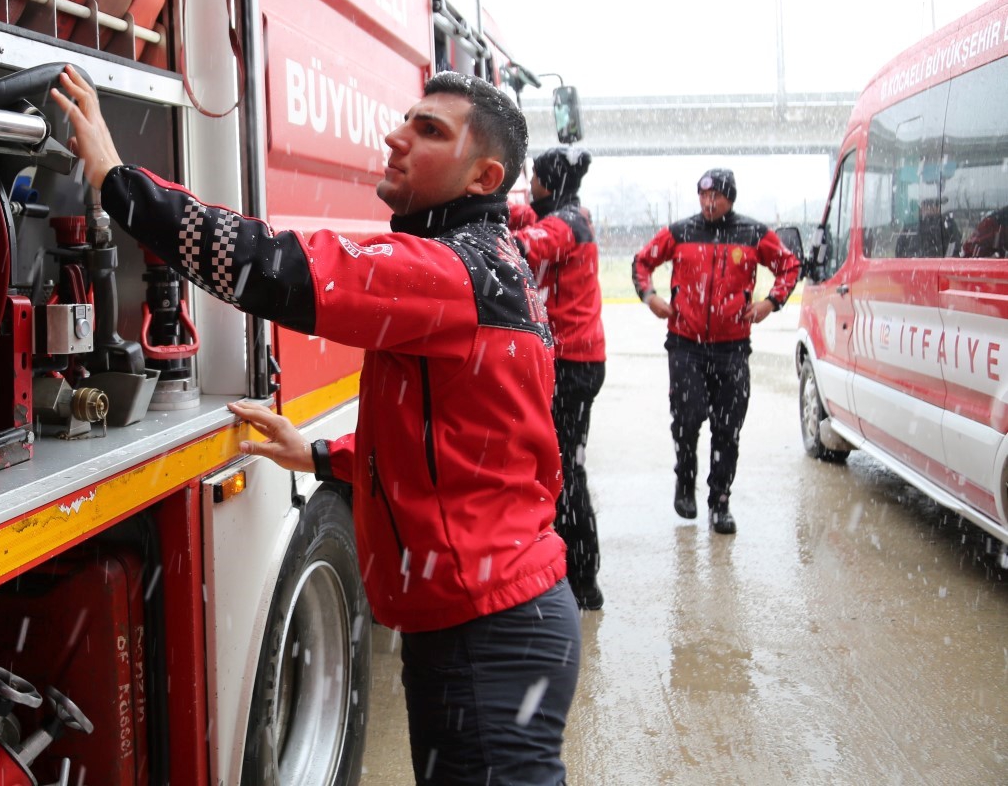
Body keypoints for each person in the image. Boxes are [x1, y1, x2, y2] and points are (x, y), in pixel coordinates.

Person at [51, 66, 578, 785]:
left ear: (483, 176)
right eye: (406, 119)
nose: (396, 137)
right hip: (495, 616)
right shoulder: (490, 266)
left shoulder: (451, 270)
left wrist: (118, 183)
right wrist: (325, 455)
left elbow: (276, 267)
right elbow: (466, 442)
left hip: (485, 630)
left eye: (429, 131)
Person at [631, 169, 800, 535]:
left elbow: (790, 265)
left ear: (730, 199)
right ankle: (685, 481)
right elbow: (641, 262)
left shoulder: (753, 234)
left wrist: (771, 302)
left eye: (716, 197)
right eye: (703, 197)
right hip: (685, 344)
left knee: (728, 428)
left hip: (732, 348)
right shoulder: (680, 232)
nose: (709, 204)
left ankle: (720, 502)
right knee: (688, 418)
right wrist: (651, 297)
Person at [509, 147, 606, 610]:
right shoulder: (555, 212)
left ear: (553, 183)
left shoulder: (568, 222)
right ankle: (562, 565)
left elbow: (528, 243)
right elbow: (519, 214)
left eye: (538, 179)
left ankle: (583, 579)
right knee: (553, 464)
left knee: (564, 468)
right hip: (562, 362)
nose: (533, 186)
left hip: (574, 365)